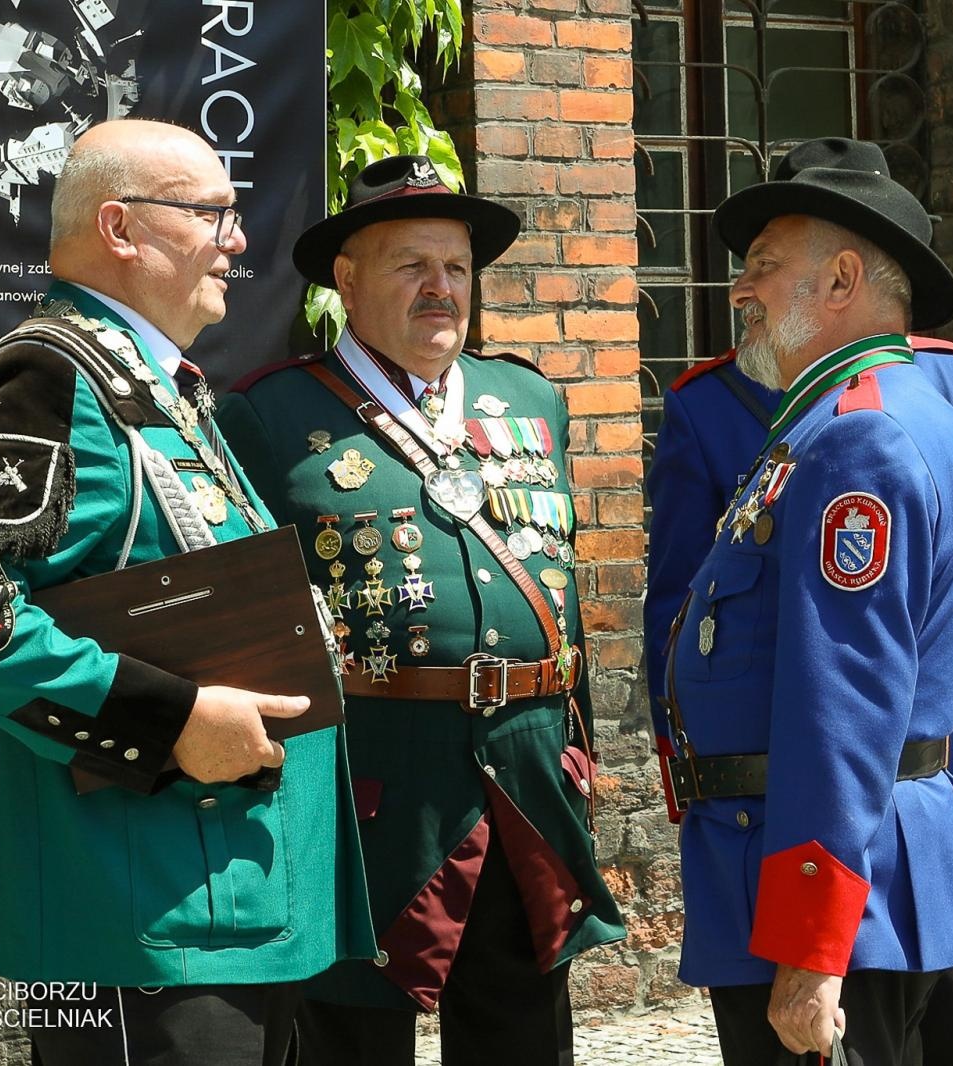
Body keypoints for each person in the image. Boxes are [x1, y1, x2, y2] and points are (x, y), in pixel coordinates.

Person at [0, 119, 372, 1066]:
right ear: (119, 227)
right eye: (211, 214)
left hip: (229, 899)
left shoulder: (154, 384)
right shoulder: (49, 377)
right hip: (148, 914)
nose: (237, 240)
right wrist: (174, 719)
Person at [217, 154, 625, 1066]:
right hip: (370, 790)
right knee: (353, 1039)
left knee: (524, 1038)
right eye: (412, 266)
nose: (441, 288)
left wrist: (577, 753)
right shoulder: (270, 415)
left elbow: (561, 594)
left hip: (525, 783)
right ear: (348, 280)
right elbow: (244, 632)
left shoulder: (529, 400)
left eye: (456, 267)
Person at [662, 137, 953, 1065]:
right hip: (870, 865)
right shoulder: (873, 413)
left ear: (843, 278)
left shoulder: (857, 438)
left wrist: (811, 943)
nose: (742, 289)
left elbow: (844, 703)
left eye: (765, 265)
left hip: (835, 888)